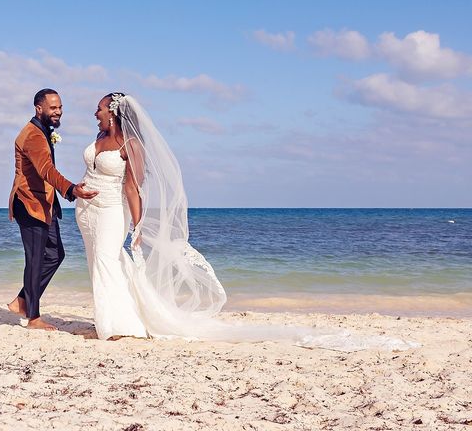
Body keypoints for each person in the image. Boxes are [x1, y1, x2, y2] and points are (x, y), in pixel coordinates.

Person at [75, 93, 418, 351]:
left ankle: (120, 325)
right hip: (87, 210)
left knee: (108, 260)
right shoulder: (100, 139)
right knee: (101, 262)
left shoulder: (131, 143)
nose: (96, 112)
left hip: (111, 211)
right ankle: (114, 319)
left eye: (101, 108)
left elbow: (134, 186)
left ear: (115, 111)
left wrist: (138, 225)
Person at [7, 88, 98, 330]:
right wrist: (72, 190)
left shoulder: (41, 131)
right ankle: (32, 317)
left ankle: (23, 300)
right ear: (39, 108)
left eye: (60, 108)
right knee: (35, 259)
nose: (58, 112)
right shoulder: (34, 136)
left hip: (45, 204)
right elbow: (46, 170)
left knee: (55, 254)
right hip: (30, 203)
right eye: (53, 108)